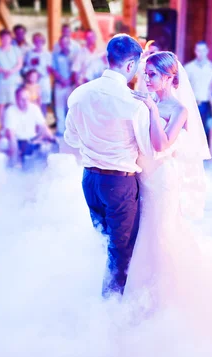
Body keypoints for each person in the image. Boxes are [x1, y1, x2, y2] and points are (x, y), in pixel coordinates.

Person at [64, 34, 152, 297]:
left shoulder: (80, 94)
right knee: (120, 253)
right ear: (129, 66)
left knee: (103, 243)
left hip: (89, 180)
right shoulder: (133, 103)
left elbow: (70, 137)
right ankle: (110, 316)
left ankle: (97, 300)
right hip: (119, 183)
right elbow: (147, 149)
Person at [129, 50, 211, 307]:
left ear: (167, 77)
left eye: (152, 74)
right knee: (144, 232)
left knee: (160, 231)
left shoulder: (179, 109)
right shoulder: (148, 99)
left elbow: (161, 144)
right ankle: (141, 291)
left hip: (163, 179)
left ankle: (166, 295)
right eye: (146, 73)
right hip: (144, 176)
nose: (147, 78)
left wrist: (152, 109)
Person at [3, 85, 56, 168]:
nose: (25, 101)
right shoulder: (10, 110)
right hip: (17, 141)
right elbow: (11, 135)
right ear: (16, 99)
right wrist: (15, 159)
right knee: (6, 145)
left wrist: (51, 138)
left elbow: (44, 127)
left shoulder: (34, 108)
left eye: (27, 99)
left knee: (51, 145)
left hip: (32, 139)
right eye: (22, 99)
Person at [0, 29, 23, 131]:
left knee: (13, 103)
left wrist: (11, 71)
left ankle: (14, 127)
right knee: (1, 104)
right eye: (3, 38)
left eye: (8, 38)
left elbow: (19, 64)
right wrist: (4, 71)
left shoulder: (16, 50)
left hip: (13, 80)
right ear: (0, 38)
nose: (6, 40)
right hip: (1, 80)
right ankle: (3, 127)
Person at [184, 41, 212, 140]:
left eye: (203, 50)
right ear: (195, 51)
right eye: (198, 50)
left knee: (206, 132)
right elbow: (185, 87)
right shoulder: (189, 68)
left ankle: (205, 155)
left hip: (207, 104)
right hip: (193, 103)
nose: (201, 53)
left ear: (207, 51)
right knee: (192, 131)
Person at [23, 33, 52, 115]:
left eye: (40, 40)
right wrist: (31, 71)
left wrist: (40, 73)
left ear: (43, 42)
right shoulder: (29, 53)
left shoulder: (47, 54)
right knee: (31, 102)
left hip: (43, 81)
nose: (38, 42)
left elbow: (49, 70)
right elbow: (25, 67)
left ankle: (42, 122)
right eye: (36, 40)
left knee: (42, 103)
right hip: (32, 82)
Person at [52, 36, 75, 136]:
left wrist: (70, 81)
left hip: (71, 85)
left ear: (69, 42)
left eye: (66, 42)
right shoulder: (56, 55)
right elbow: (53, 69)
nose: (64, 45)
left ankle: (70, 131)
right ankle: (60, 130)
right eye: (62, 43)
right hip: (60, 85)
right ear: (60, 44)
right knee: (59, 108)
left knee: (70, 108)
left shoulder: (74, 55)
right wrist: (62, 80)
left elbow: (77, 69)